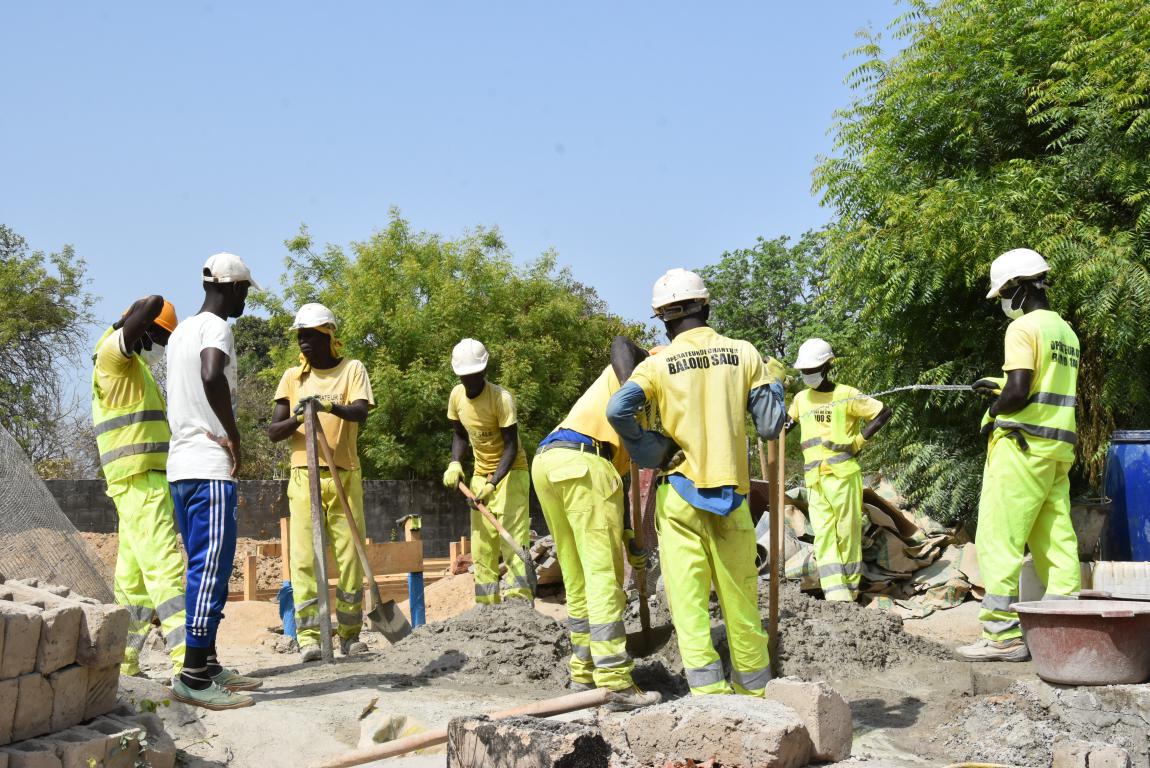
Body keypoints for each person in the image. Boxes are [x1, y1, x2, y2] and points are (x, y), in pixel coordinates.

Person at [607, 268, 786, 696]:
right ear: (705, 306)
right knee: (741, 600)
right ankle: (756, 692)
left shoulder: (658, 364)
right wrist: (774, 385)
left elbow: (618, 411)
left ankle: (707, 695)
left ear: (663, 318)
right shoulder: (744, 354)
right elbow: (769, 426)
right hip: (732, 497)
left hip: (679, 496)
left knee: (688, 603)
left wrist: (652, 449)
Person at [957, 248, 1081, 662]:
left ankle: (1002, 636)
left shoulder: (1022, 329)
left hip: (1021, 447)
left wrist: (993, 411)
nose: (1004, 303)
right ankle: (1067, 629)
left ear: (1016, 287)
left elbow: (1019, 391)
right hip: (1056, 450)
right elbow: (1042, 387)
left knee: (999, 539)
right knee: (1056, 538)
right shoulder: (1065, 332)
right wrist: (1000, 383)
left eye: (1004, 293)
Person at [532, 336, 661, 710]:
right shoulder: (653, 367)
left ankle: (583, 673)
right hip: (586, 461)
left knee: (576, 577)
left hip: (552, 459)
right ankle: (616, 681)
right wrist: (628, 396)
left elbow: (616, 480)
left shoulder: (645, 415)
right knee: (604, 576)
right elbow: (622, 343)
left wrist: (626, 535)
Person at [166, 252, 263, 709]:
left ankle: (206, 664)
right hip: (208, 466)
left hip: (180, 467)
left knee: (203, 568)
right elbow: (211, 375)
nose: (245, 299)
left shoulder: (179, 332)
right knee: (211, 571)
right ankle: (193, 677)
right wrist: (233, 435)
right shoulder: (217, 327)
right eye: (244, 290)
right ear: (230, 288)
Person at [268, 303, 375, 662]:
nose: (304, 344)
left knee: (349, 558)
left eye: (311, 337)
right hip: (304, 476)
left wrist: (330, 408)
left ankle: (349, 635)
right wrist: (300, 416)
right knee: (304, 559)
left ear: (329, 336)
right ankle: (310, 638)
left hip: (343, 473)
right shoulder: (292, 378)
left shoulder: (352, 370)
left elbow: (361, 410)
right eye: (300, 337)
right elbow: (274, 431)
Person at [91, 296, 187, 679]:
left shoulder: (135, 369)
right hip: (140, 479)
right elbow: (151, 303)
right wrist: (132, 319)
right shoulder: (113, 353)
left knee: (132, 582)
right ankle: (187, 665)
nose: (162, 347)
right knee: (165, 567)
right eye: (161, 337)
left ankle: (125, 663)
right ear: (142, 332)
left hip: (137, 480)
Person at [786, 338, 891, 602]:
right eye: (804, 371)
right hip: (815, 479)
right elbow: (783, 426)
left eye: (812, 370)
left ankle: (851, 592)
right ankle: (836, 595)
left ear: (827, 365)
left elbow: (883, 412)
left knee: (847, 535)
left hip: (843, 477)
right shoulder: (800, 399)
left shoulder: (845, 394)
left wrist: (858, 441)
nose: (807, 375)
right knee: (823, 535)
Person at [442, 338, 533, 604]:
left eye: (474, 374)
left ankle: (519, 599)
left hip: (512, 472)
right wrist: (455, 462)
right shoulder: (456, 396)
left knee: (512, 539)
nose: (469, 380)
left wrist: (492, 484)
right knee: (482, 543)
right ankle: (486, 605)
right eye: (464, 375)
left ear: (484, 370)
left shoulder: (501, 399)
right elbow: (459, 435)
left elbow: (511, 447)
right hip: (480, 474)